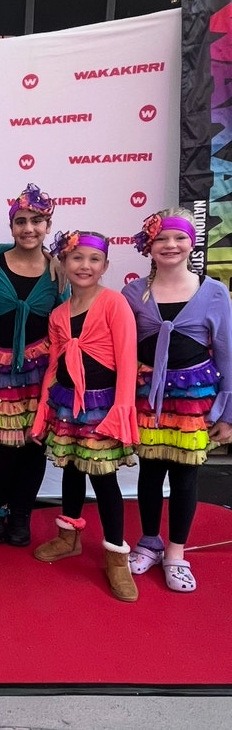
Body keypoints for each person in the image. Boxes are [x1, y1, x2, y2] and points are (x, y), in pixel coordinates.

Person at [123, 208, 232, 592]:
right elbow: (124, 351)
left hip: (192, 399)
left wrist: (228, 413)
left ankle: (175, 552)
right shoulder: (133, 293)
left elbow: (227, 353)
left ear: (192, 242)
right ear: (148, 245)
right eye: (161, 238)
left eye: (179, 237)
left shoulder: (214, 292)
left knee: (185, 476)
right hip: (147, 396)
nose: (170, 245)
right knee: (150, 472)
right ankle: (149, 542)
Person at [31, 230, 140, 602]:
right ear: (63, 262)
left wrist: (121, 411)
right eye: (77, 258)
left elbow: (127, 361)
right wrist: (42, 413)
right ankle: (69, 537)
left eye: (94, 259)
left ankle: (117, 557)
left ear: (105, 266)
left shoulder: (113, 303)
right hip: (67, 403)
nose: (85, 266)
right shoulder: (59, 314)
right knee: (72, 470)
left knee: (104, 479)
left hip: (103, 405)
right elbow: (53, 366)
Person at [0, 183, 63, 547]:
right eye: (21, 221)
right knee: (0, 446)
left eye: (37, 221)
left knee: (33, 444)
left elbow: (69, 321)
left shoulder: (59, 270)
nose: (29, 228)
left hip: (41, 369)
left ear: (48, 225)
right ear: (11, 226)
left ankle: (21, 515)